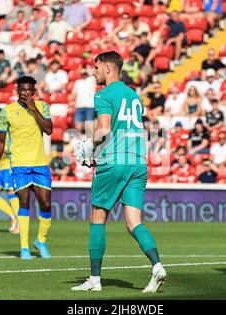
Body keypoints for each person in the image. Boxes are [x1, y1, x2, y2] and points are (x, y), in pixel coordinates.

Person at [71, 51, 166, 293]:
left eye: (96, 67)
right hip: (138, 162)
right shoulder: (134, 95)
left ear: (108, 68)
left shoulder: (103, 94)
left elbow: (104, 129)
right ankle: (157, 266)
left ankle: (94, 280)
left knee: (97, 216)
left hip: (114, 162)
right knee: (133, 222)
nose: (94, 72)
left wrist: (88, 147)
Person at [0, 76, 53, 260]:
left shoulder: (42, 106)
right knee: (24, 203)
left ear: (34, 91)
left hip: (40, 164)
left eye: (29, 90)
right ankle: (24, 248)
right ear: (17, 90)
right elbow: (0, 141)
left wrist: (33, 109)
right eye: (22, 89)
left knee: (46, 205)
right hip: (19, 165)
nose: (25, 93)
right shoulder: (6, 112)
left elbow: (49, 130)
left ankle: (41, 241)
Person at [0, 109, 20, 234]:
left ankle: (19, 224)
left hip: (8, 168)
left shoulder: (8, 132)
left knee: (11, 195)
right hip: (0, 169)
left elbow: (10, 148)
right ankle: (13, 216)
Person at [71, 68, 96, 132]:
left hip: (90, 105)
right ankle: (79, 141)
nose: (83, 74)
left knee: (89, 125)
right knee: (78, 125)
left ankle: (90, 141)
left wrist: (88, 70)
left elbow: (95, 72)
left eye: (85, 73)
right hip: (79, 106)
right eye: (82, 73)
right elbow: (74, 94)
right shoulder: (77, 82)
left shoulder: (92, 80)